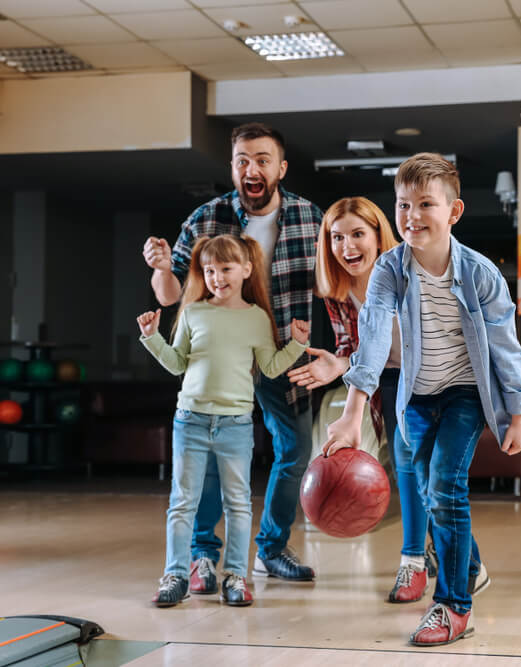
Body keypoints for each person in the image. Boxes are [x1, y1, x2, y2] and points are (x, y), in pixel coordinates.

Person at [323, 154, 521, 647]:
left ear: (453, 211)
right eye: (402, 205)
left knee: (444, 486)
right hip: (414, 396)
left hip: (464, 394)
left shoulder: (481, 274)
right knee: (432, 494)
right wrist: (352, 416)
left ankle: (455, 606)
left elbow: (505, 346)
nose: (412, 215)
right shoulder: (389, 271)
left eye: (425, 204)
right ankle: (471, 566)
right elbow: (371, 338)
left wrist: (519, 413)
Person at [142, 123, 321, 590]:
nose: (251, 169)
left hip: (281, 353)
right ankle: (202, 555)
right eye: (242, 160)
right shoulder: (206, 218)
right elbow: (170, 295)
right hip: (218, 356)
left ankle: (272, 548)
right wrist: (162, 268)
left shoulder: (309, 218)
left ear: (280, 168)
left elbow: (341, 283)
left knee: (296, 450)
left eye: (262, 159)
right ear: (233, 168)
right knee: (206, 456)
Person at [137, 235, 311, 608]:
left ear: (246, 270)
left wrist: (295, 345)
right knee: (182, 503)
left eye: (226, 269)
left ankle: (236, 575)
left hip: (235, 425)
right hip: (191, 422)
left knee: (238, 504)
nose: (217, 277)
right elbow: (177, 363)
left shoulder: (257, 318)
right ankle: (176, 575)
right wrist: (152, 338)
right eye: (210, 270)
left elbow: (269, 367)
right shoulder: (194, 312)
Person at [287, 196, 437, 603]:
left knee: (432, 476)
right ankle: (414, 562)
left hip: (433, 379)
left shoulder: (408, 273)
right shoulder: (337, 291)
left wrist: (339, 365)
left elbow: (407, 342)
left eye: (357, 234)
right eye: (336, 237)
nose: (347, 246)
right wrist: (337, 363)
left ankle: (459, 559)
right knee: (409, 468)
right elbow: (354, 346)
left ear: (378, 236)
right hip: (388, 380)